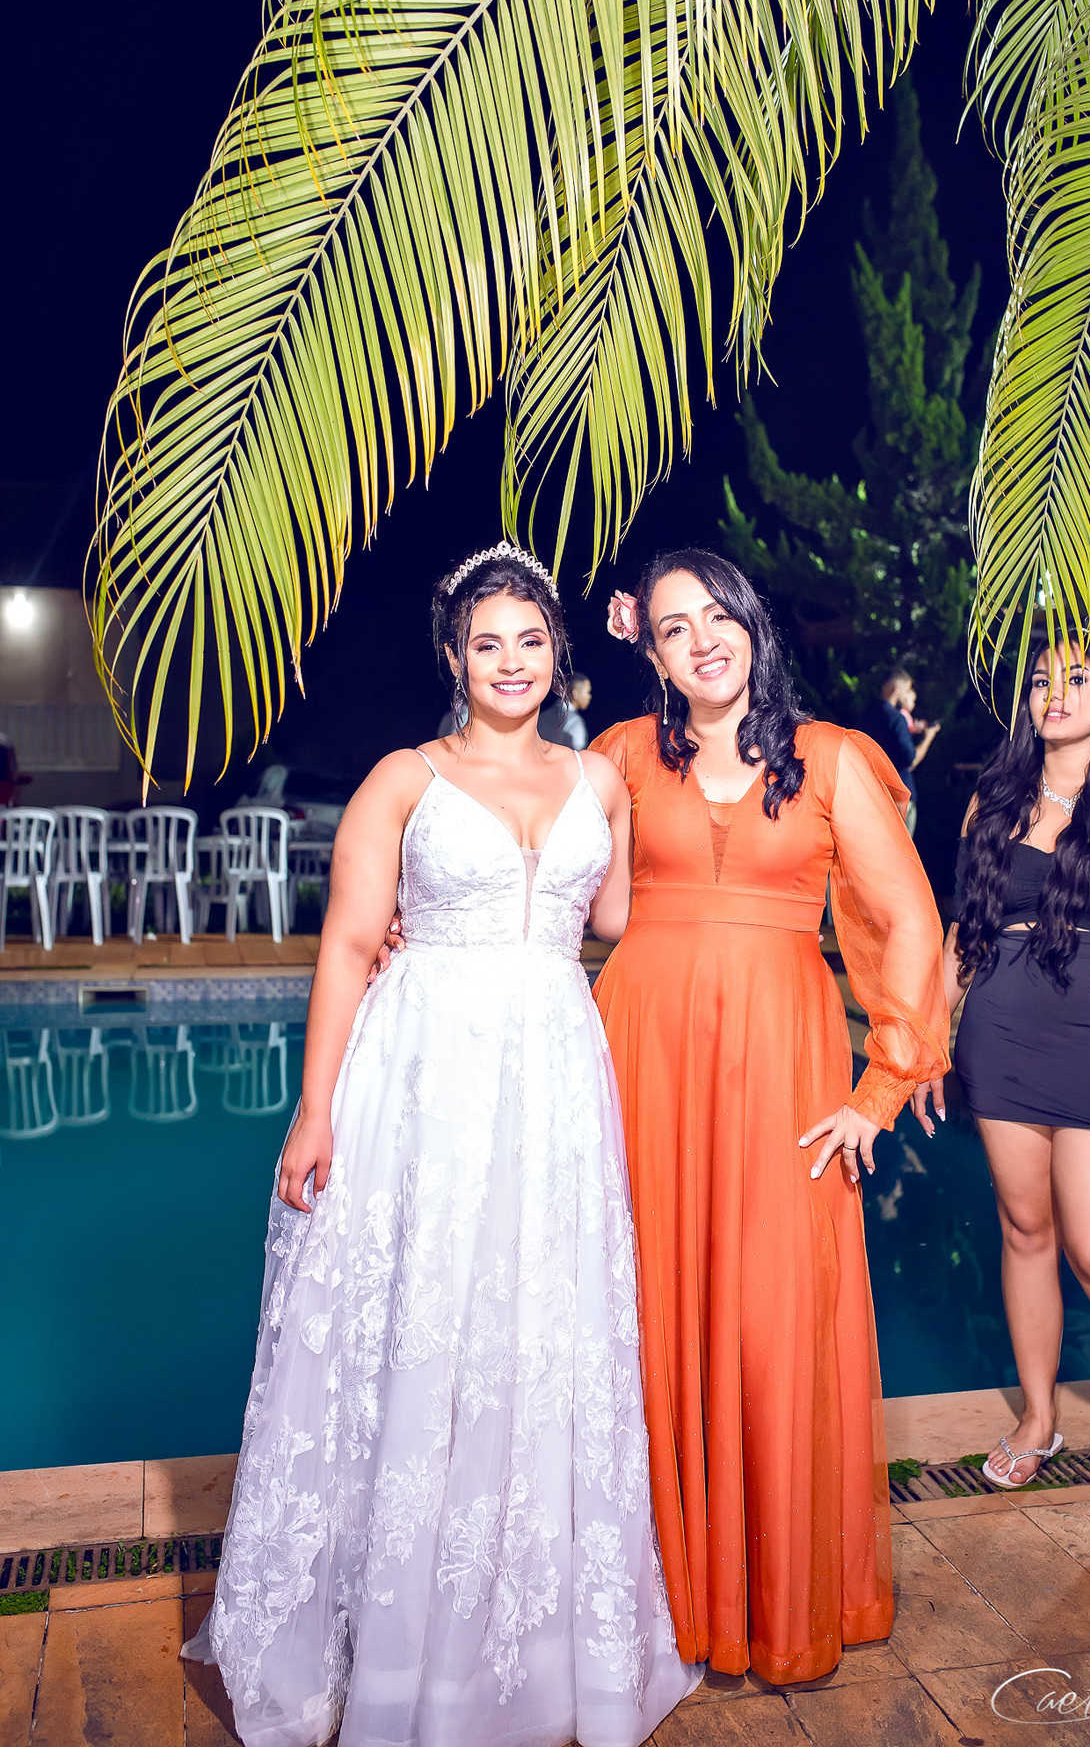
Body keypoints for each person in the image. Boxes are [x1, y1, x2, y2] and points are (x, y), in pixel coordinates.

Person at [184, 543, 698, 1747]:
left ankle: (532, 1651)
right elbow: (346, 945)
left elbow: (613, 916)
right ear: (455, 660)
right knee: (422, 1326)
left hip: (554, 1077)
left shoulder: (603, 781)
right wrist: (314, 1107)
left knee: (539, 1333)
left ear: (558, 653)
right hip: (424, 1075)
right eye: (487, 644)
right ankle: (392, 1650)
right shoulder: (403, 780)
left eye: (531, 641)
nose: (511, 662)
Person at [594, 552, 949, 1683]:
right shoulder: (619, 756)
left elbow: (911, 924)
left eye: (717, 616)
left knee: (772, 1314)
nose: (703, 640)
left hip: (785, 1071)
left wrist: (880, 1088)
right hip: (640, 1061)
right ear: (651, 653)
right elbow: (532, 862)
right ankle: (664, 1601)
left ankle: (774, 1600)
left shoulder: (833, 757)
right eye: (673, 628)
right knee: (648, 1306)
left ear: (752, 624)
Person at [912, 636, 1090, 1508]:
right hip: (1001, 1036)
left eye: (1076, 678)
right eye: (1041, 680)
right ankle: (1039, 1418)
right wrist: (930, 1038)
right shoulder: (994, 801)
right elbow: (967, 933)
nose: (1055, 693)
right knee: (1026, 1231)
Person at [864, 668, 940, 833]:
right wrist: (929, 737)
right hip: (900, 795)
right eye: (906, 690)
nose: (907, 695)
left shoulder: (867, 715)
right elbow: (910, 760)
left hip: (872, 792)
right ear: (895, 689)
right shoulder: (896, 719)